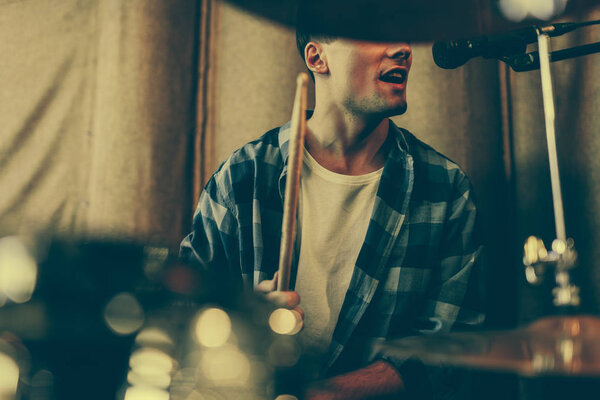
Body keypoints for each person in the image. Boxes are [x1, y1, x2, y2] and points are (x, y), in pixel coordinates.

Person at [180, 13, 484, 400]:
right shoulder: (243, 178)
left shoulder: (444, 189)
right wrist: (245, 327)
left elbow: (449, 350)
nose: (404, 48)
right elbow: (182, 319)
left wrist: (319, 395)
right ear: (317, 58)